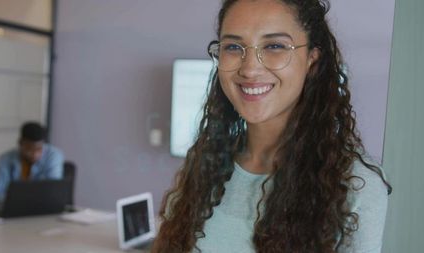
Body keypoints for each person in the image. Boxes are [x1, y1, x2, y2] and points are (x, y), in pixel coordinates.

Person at [153, 0, 392, 252]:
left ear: (312, 59)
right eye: (234, 47)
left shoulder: (355, 186)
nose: (250, 68)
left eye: (274, 46)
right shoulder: (203, 164)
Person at [0, 122, 64, 205]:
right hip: (15, 209)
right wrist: (20, 202)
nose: (35, 154)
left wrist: (19, 200)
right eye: (30, 148)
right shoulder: (6, 159)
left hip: (42, 209)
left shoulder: (53, 156)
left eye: (39, 149)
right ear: (20, 143)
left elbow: (53, 191)